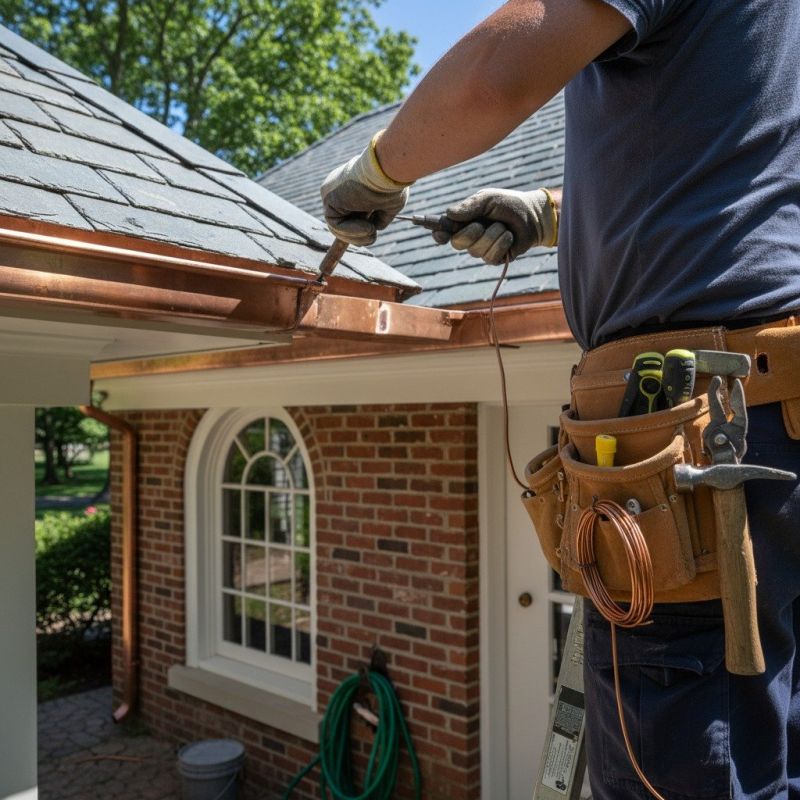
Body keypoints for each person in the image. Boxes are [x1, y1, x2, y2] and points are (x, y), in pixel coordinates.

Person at [320, 1, 800, 798]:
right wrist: (549, 212)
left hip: (700, 436)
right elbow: (740, 170)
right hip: (769, 423)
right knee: (766, 746)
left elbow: (494, 77)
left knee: (686, 765)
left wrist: (378, 169)